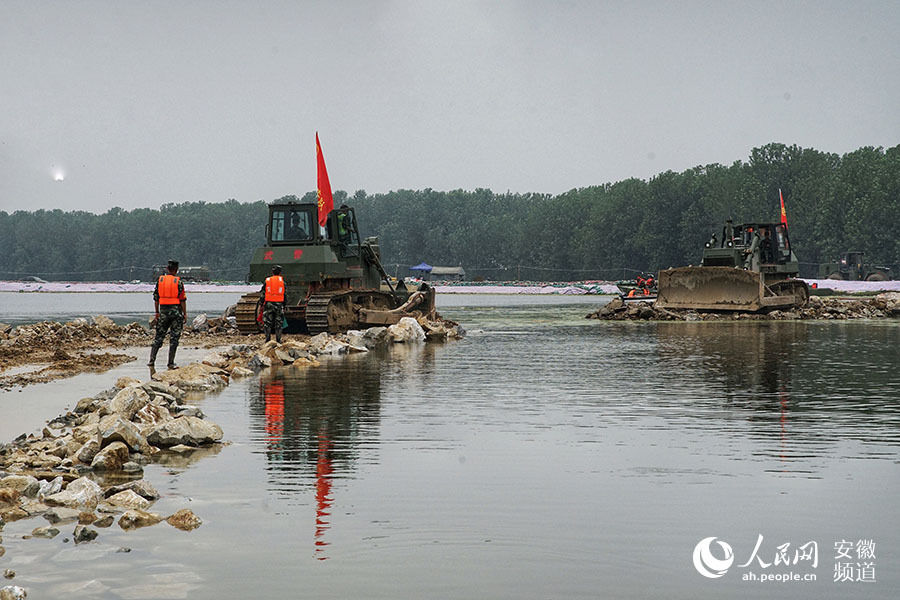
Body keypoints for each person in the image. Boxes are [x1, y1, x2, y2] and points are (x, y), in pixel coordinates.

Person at [149, 259, 187, 369]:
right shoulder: (178, 282)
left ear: (167, 269)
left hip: (163, 312)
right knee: (174, 339)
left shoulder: (160, 280)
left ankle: (151, 361)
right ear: (176, 270)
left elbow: (156, 298)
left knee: (158, 337)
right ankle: (170, 363)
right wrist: (185, 314)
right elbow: (182, 300)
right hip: (175, 313)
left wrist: (157, 312)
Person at [259, 265, 286, 343]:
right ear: (280, 272)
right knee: (279, 322)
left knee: (267, 322)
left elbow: (263, 293)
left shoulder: (267, 281)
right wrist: (284, 304)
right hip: (279, 304)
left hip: (269, 304)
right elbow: (285, 294)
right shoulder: (282, 282)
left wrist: (261, 303)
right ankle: (278, 339)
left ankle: (267, 339)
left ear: (272, 272)